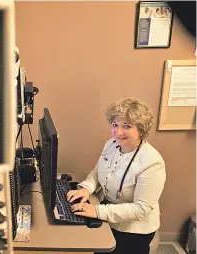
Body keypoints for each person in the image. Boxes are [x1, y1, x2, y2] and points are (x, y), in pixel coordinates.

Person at [66, 97, 166, 254]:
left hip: (133, 231)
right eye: (115, 125)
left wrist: (98, 211)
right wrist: (86, 188)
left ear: (141, 129)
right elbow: (98, 171)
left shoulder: (152, 163)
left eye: (126, 126)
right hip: (106, 215)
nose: (118, 132)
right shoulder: (111, 144)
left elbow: (141, 209)